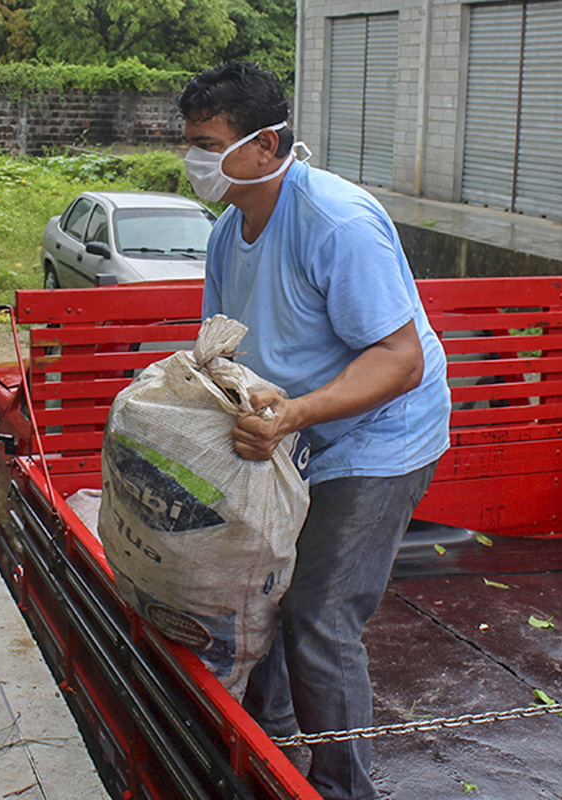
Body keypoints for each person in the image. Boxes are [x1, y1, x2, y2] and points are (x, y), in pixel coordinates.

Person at [177, 62, 452, 800]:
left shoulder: (336, 221)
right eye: (190, 143)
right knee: (257, 590)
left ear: (264, 145)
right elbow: (223, 345)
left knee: (317, 613)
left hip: (378, 437)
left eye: (207, 143)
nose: (193, 160)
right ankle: (269, 746)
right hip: (293, 434)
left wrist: (292, 415)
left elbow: (401, 361)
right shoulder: (228, 231)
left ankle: (340, 788)